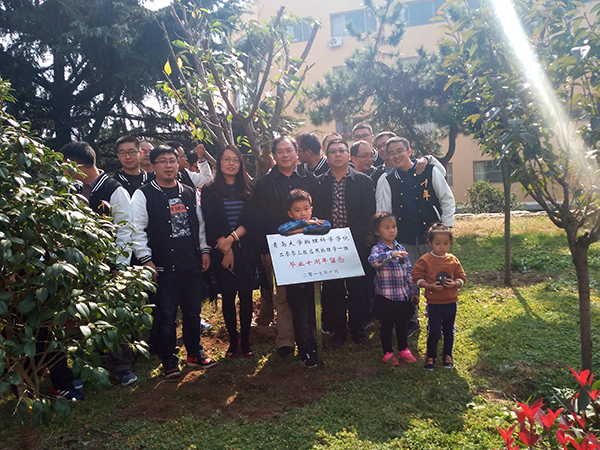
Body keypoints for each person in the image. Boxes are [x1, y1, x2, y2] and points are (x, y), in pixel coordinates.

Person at [131, 145, 215, 379]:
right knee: (166, 316)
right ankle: (169, 360)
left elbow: (200, 224)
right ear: (153, 165)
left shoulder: (189, 192)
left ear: (178, 164)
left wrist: (204, 250)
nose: (168, 165)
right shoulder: (144, 194)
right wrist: (145, 259)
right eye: (163, 161)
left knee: (193, 312)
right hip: (163, 267)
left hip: (191, 263)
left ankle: (195, 354)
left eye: (172, 160)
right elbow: (136, 229)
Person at [59, 141, 137, 386]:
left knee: (115, 315)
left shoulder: (114, 190)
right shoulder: (71, 189)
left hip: (109, 265)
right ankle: (87, 365)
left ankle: (122, 366)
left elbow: (125, 231)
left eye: (64, 165)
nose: (62, 170)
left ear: (76, 164)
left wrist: (119, 267)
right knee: (83, 317)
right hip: (79, 265)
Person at [254, 136, 319, 357]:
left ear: (297, 153)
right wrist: (265, 250)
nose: (285, 155)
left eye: (289, 150)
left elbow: (318, 211)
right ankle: (285, 340)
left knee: (308, 294)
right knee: (282, 296)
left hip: (308, 247)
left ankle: (310, 337)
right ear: (274, 155)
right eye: (280, 151)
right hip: (279, 249)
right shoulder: (265, 183)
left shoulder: (309, 178)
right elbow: (260, 218)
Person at [317, 139, 375, 348]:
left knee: (357, 287)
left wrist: (354, 235)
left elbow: (369, 211)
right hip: (329, 244)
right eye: (333, 151)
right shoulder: (319, 182)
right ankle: (339, 330)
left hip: (356, 242)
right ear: (327, 157)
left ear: (349, 156)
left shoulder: (363, 181)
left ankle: (357, 330)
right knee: (333, 289)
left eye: (342, 150)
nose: (337, 154)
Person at [201, 145, 258, 358]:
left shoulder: (249, 189)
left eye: (235, 160)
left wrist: (231, 240)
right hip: (220, 251)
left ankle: (246, 341)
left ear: (241, 163)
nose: (231, 163)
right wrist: (225, 248)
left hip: (245, 250)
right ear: (219, 162)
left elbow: (251, 219)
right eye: (227, 159)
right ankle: (233, 342)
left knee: (246, 296)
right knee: (227, 295)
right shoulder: (209, 190)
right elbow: (209, 219)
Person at [278, 189, 331, 368]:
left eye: (306, 209)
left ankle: (315, 345)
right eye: (297, 210)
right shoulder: (287, 226)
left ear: (311, 208)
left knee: (313, 314)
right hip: (295, 282)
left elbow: (326, 226)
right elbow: (282, 230)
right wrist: (304, 223)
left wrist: (302, 229)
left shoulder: (317, 223)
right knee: (300, 317)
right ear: (290, 213)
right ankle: (304, 352)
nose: (303, 213)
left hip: (313, 281)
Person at [411, 224, 466, 371]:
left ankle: (447, 355)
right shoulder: (425, 260)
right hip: (434, 304)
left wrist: (455, 283)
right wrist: (429, 286)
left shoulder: (453, 260)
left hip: (451, 302)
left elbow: (462, 277)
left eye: (445, 243)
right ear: (429, 243)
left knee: (449, 330)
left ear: (450, 243)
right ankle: (431, 356)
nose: (442, 247)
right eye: (437, 243)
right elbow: (416, 277)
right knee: (434, 331)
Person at [368, 212, 419, 366]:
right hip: (386, 297)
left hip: (402, 295)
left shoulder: (401, 248)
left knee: (402, 324)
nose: (392, 230)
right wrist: (391, 254)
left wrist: (413, 291)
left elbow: (409, 271)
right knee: (387, 326)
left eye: (394, 227)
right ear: (377, 231)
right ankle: (388, 352)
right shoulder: (377, 249)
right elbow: (373, 261)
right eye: (387, 227)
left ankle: (403, 349)